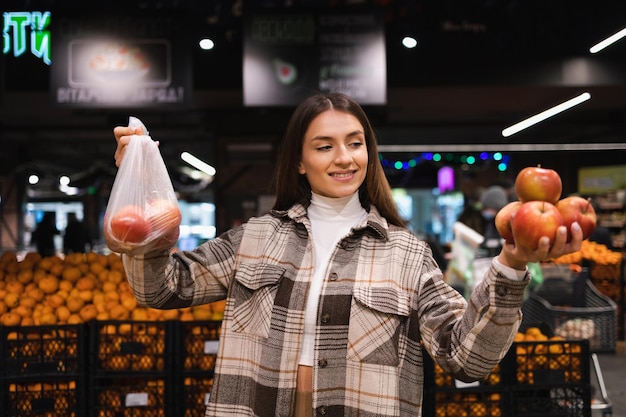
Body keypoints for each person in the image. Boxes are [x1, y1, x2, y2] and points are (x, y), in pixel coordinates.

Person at [112, 92, 583, 417]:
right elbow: (161, 288)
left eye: (355, 144)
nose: (345, 158)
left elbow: (466, 358)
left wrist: (513, 263)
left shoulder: (406, 254)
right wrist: (140, 195)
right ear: (299, 160)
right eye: (325, 146)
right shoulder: (256, 237)